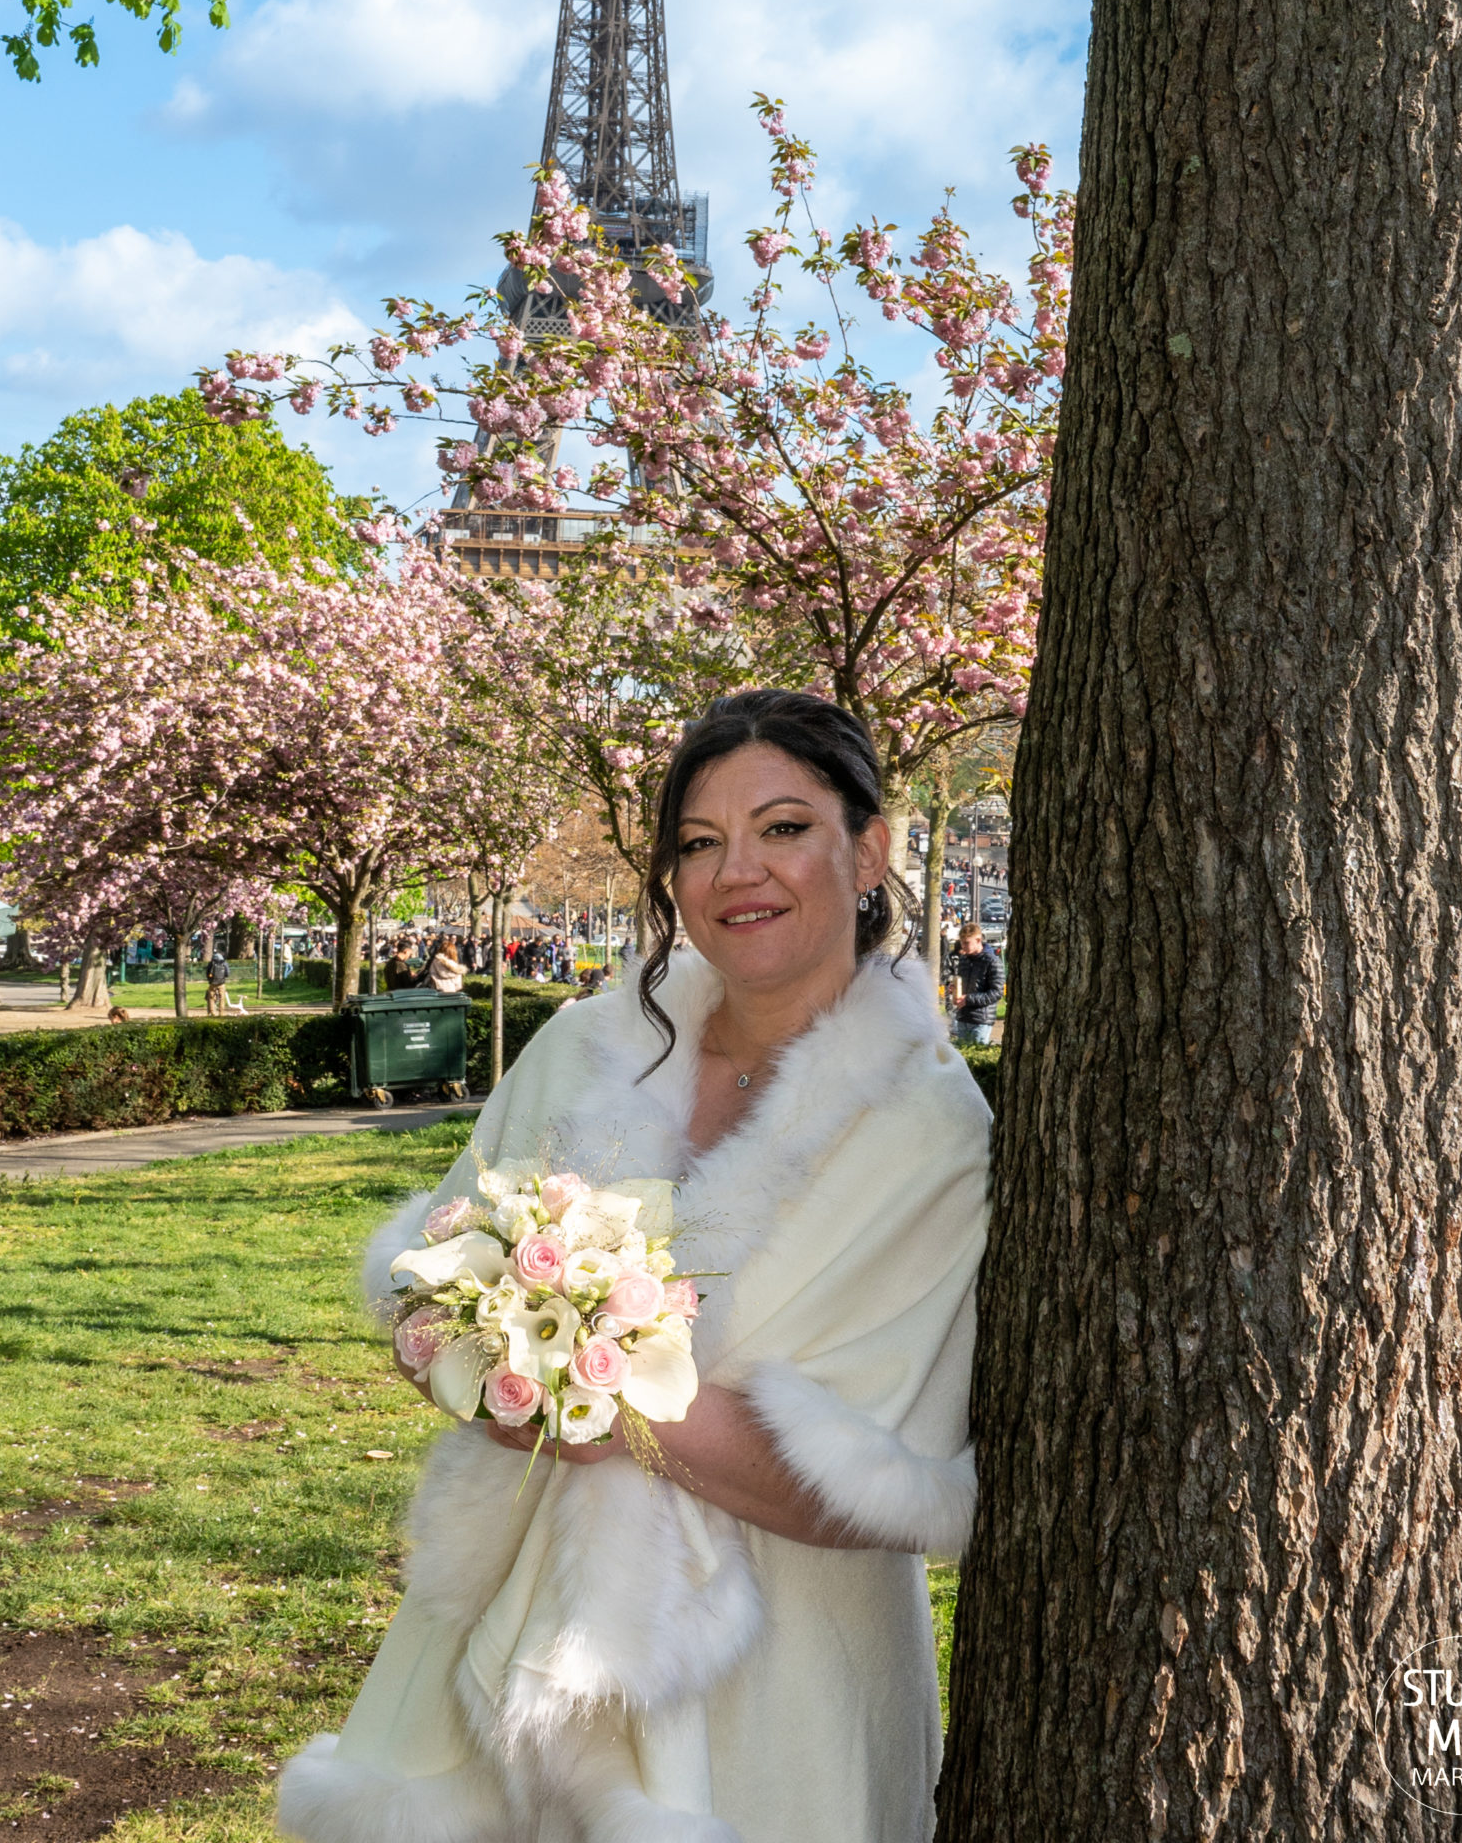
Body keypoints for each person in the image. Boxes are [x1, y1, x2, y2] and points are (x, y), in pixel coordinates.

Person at [279, 690, 989, 1843]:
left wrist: (601, 1402)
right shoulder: (585, 1044)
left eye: (783, 827)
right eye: (700, 843)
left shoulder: (934, 1133)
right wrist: (487, 1365)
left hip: (778, 1671)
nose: (736, 871)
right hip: (499, 1634)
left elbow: (884, 1477)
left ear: (869, 849)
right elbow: (434, 1281)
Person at [950, 923, 1002, 1046]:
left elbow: (996, 992)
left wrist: (968, 999)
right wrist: (954, 989)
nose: (963, 946)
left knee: (977, 1053)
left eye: (967, 943)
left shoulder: (992, 961)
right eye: (962, 943)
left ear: (978, 940)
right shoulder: (963, 960)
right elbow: (963, 985)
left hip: (981, 1020)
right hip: (963, 1017)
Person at [205, 945, 230, 1016]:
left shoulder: (211, 963)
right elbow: (227, 973)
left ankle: (211, 1012)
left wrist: (210, 980)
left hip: (212, 983)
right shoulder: (224, 963)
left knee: (211, 997)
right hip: (221, 983)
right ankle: (221, 1012)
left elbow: (207, 973)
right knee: (222, 998)